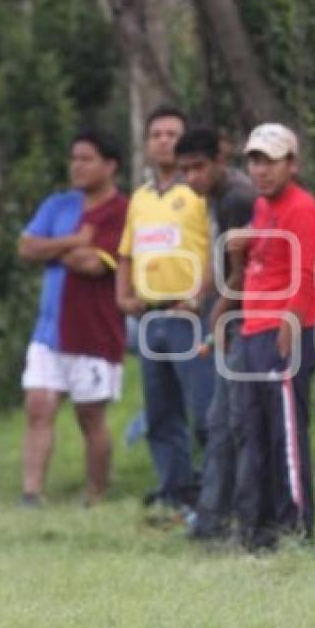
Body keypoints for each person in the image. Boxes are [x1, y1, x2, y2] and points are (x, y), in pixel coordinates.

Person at [17, 130, 128, 505]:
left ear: (110, 165)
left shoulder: (121, 211)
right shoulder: (58, 204)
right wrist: (73, 241)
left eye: (86, 158)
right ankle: (31, 493)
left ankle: (95, 493)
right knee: (38, 405)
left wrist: (57, 249)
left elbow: (94, 265)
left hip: (94, 330)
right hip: (48, 330)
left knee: (89, 415)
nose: (76, 166)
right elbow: (26, 246)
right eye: (74, 158)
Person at [230, 123, 315, 551]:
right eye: (254, 160)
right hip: (254, 329)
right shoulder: (262, 208)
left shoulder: (301, 207)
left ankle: (295, 529)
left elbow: (305, 273)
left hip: (284, 331)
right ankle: (259, 529)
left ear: (292, 164)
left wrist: (289, 325)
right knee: (255, 432)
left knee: (286, 435)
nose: (261, 170)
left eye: (270, 161)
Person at [116, 104, 214, 516]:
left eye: (172, 133)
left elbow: (217, 249)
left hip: (189, 316)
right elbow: (125, 253)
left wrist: (199, 297)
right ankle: (175, 490)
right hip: (149, 317)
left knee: (205, 409)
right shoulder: (139, 197)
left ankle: (214, 492)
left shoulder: (197, 192)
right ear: (147, 142)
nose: (163, 140)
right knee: (160, 412)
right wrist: (123, 297)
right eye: (156, 134)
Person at [173, 126, 255, 542]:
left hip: (249, 319)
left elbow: (246, 268)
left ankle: (234, 520)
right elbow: (222, 260)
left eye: (198, 167)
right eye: (184, 170)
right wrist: (205, 296)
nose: (191, 178)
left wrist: (220, 311)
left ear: (219, 160)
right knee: (219, 421)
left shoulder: (238, 197)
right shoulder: (215, 196)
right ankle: (211, 520)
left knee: (231, 422)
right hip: (231, 316)